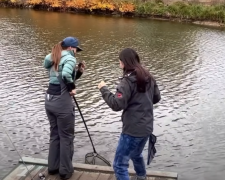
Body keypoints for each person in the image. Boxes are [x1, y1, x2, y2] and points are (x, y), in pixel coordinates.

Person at [98, 48, 161, 180]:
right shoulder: (148, 76)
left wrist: (104, 89)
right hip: (147, 127)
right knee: (136, 154)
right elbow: (156, 98)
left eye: (120, 61)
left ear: (124, 62)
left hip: (132, 130)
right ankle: (141, 177)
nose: (119, 63)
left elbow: (116, 105)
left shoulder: (126, 82)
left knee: (119, 165)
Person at [43, 37, 85, 180]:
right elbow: (66, 75)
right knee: (66, 137)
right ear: (71, 48)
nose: (76, 53)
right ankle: (65, 171)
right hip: (62, 103)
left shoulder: (53, 56)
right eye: (76, 50)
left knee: (55, 135)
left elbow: (58, 78)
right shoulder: (70, 58)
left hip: (49, 100)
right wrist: (72, 89)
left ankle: (53, 167)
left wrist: (78, 73)